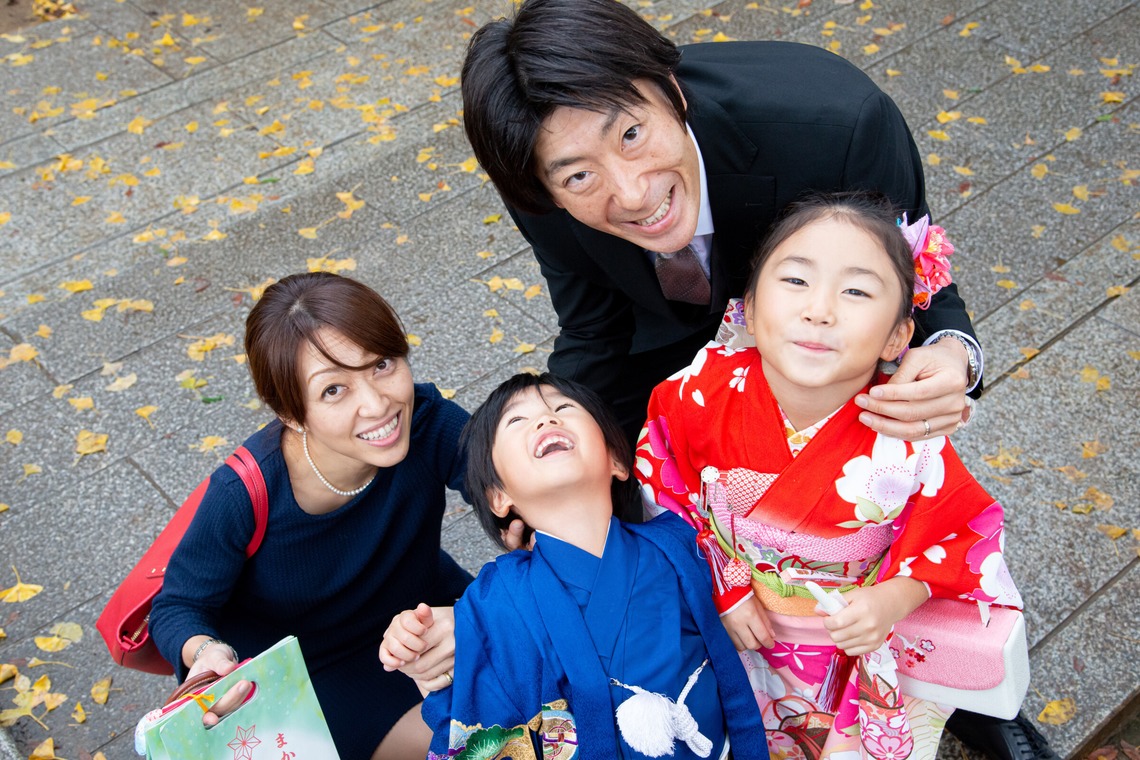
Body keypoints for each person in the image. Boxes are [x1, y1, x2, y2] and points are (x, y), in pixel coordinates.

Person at [460, 0, 982, 450]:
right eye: (578, 175)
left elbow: (911, 271)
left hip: (815, 335)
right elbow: (594, 332)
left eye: (632, 134)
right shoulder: (540, 189)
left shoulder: (840, 129)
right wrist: (562, 454)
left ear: (671, 89)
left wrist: (955, 353)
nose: (633, 193)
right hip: (661, 342)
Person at [636, 193, 1033, 760]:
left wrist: (893, 599)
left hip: (848, 642)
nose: (819, 309)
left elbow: (964, 534)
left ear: (899, 337)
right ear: (747, 305)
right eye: (795, 281)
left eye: (856, 291)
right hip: (737, 621)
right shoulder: (696, 393)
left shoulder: (906, 432)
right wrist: (723, 585)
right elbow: (665, 489)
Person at [148, 272, 471, 760]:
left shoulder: (426, 421)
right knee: (476, 741)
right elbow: (177, 607)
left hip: (424, 616)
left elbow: (512, 489)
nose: (378, 403)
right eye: (333, 391)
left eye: (382, 364)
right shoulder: (245, 491)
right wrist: (206, 655)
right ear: (291, 412)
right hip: (315, 671)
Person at [416, 372, 770, 759]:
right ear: (499, 496)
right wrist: (429, 666)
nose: (546, 419)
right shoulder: (496, 602)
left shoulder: (678, 544)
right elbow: (476, 710)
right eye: (517, 420)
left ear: (617, 461)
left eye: (564, 408)